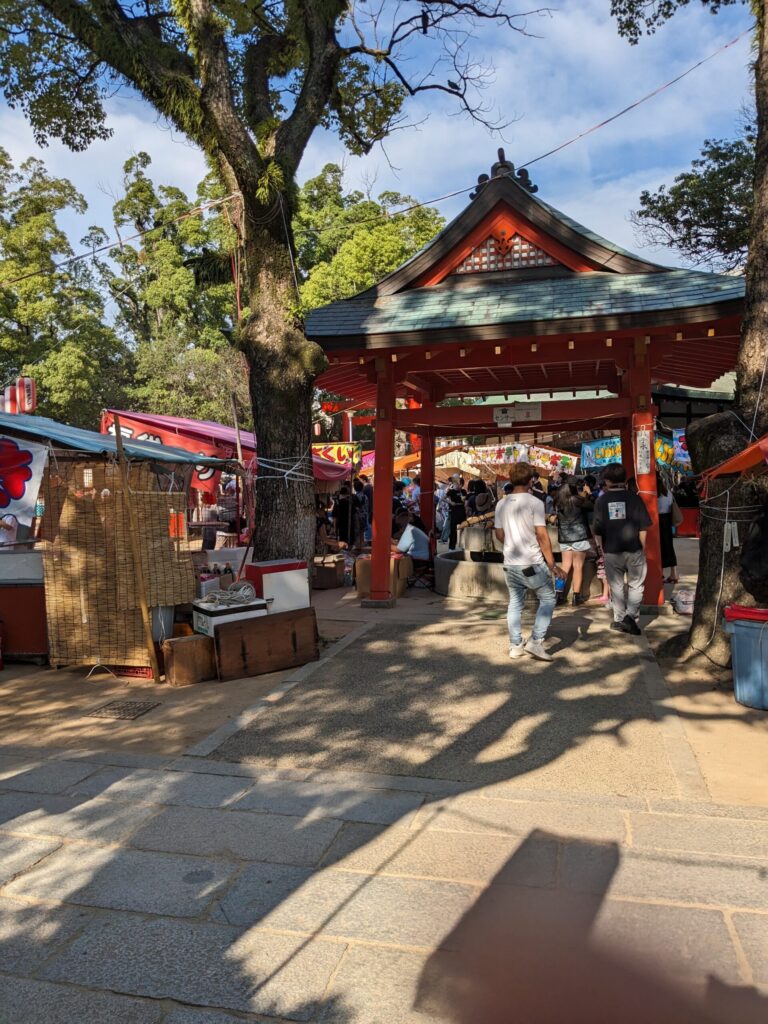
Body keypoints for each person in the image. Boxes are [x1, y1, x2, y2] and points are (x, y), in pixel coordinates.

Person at [494, 463, 565, 662]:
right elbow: (542, 536)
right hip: (532, 561)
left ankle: (515, 645)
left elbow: (499, 534)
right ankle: (535, 641)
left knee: (515, 603)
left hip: (510, 562)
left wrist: (512, 544)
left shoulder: (502, 504)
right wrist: (552, 565)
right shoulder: (535, 503)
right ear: (530, 480)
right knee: (548, 599)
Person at [591, 463, 652, 635]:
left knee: (616, 586)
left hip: (611, 549)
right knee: (636, 585)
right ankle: (631, 618)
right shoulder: (635, 498)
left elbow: (597, 529)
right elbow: (643, 527)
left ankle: (619, 619)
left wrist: (600, 548)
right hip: (634, 549)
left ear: (607, 480)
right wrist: (643, 547)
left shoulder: (601, 500)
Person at [553, 476, 594, 605]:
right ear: (575, 487)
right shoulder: (579, 500)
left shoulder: (559, 501)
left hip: (564, 538)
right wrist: (588, 493)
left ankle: (558, 595)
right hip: (579, 537)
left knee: (565, 566)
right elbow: (592, 505)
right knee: (578, 566)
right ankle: (576, 597)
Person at [656, 472, 679, 583]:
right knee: (669, 546)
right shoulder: (668, 493)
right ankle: (674, 574)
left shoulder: (654, 494)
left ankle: (659, 574)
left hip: (657, 521)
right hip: (667, 521)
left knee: (658, 547)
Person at [446, 476, 467, 550]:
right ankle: (451, 547)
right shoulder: (451, 491)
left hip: (462, 511)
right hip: (454, 511)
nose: (459, 486)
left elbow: (465, 500)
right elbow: (443, 498)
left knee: (464, 529)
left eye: (460, 484)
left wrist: (465, 502)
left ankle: (463, 547)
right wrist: (450, 502)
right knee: (453, 530)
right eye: (457, 484)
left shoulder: (463, 491)